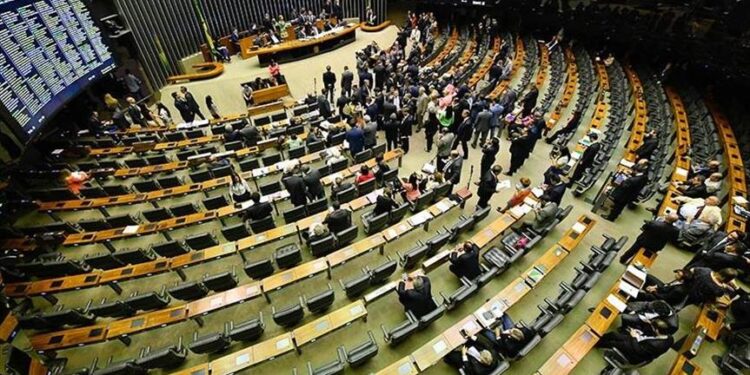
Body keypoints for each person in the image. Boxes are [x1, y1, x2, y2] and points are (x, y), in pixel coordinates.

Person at [595, 319, 673, 365]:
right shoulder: (670, 338)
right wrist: (640, 335)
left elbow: (638, 350)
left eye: (653, 327)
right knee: (614, 334)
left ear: (657, 330)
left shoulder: (654, 344)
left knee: (614, 343)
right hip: (641, 344)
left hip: (636, 353)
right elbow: (649, 339)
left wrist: (634, 337)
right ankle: (597, 338)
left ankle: (596, 343)